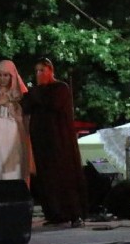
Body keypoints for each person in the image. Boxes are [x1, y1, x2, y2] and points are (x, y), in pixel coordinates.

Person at [21, 57, 87, 228]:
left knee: (64, 176)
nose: (39, 74)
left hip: (59, 140)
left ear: (50, 70)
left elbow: (53, 105)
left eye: (42, 70)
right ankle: (55, 213)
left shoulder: (60, 88)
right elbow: (26, 105)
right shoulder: (37, 91)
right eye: (36, 71)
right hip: (42, 141)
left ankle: (74, 213)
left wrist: (35, 95)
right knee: (46, 178)